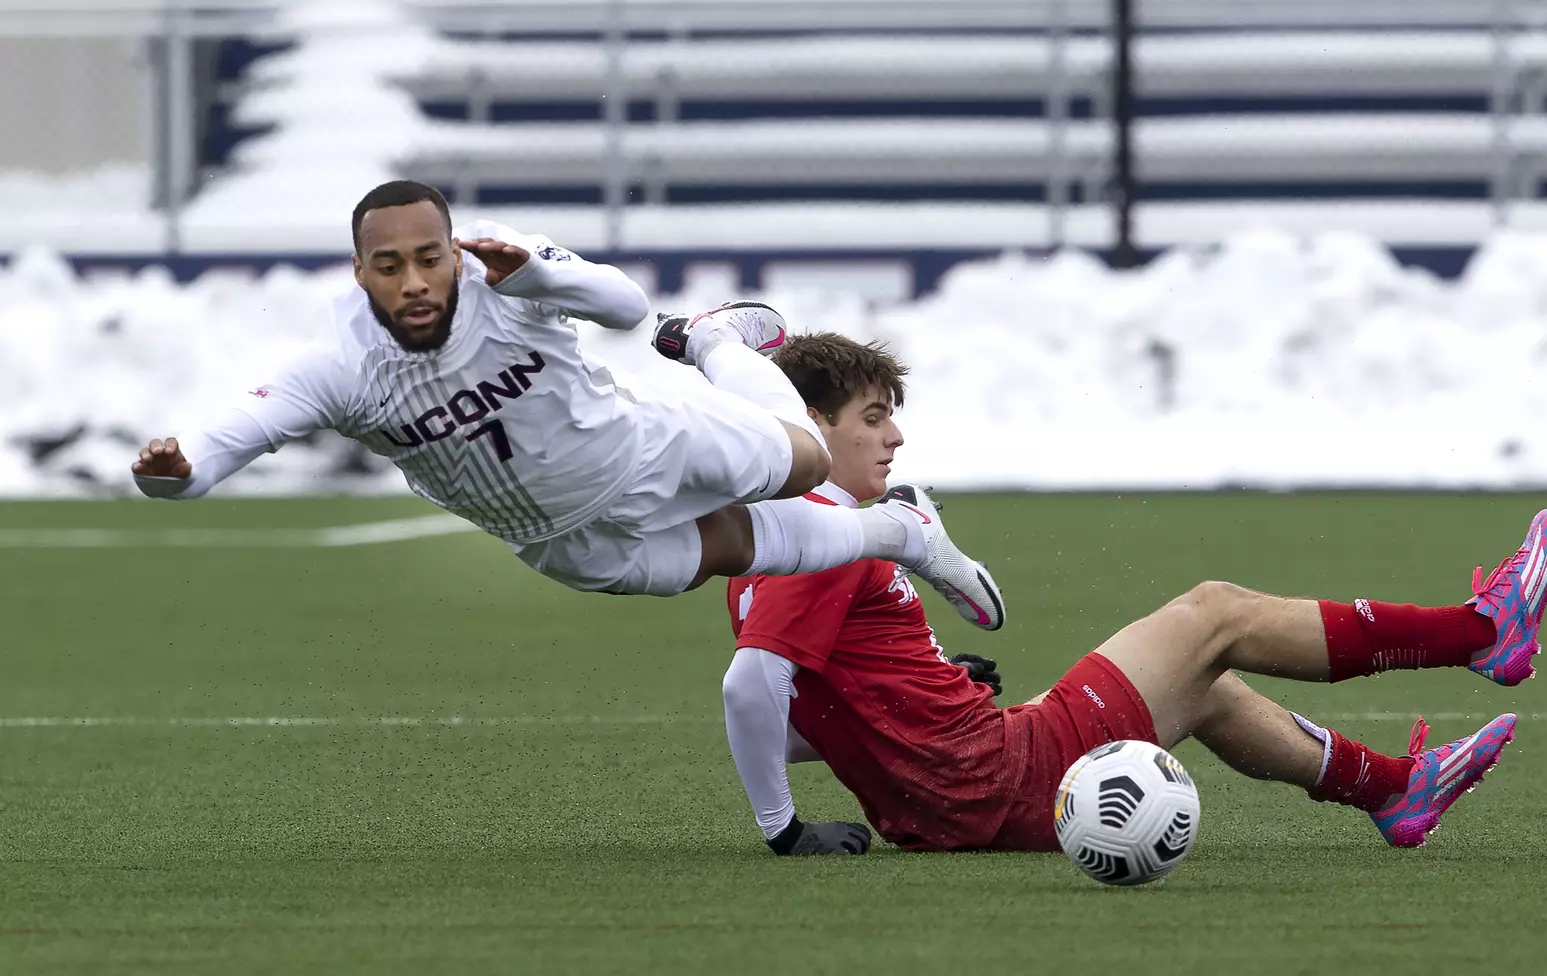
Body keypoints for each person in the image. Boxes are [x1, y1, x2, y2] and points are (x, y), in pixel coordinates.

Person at [722, 332, 1547, 855]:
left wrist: (911, 707)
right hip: (992, 782)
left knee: (1205, 685)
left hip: (954, 789)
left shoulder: (776, 537)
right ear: (813, 426)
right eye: (872, 416)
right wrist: (783, 830)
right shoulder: (823, 540)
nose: (895, 434)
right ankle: (1480, 633)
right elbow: (752, 685)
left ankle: (1392, 790)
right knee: (1214, 613)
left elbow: (799, 713)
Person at [130, 179, 1003, 628]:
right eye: (389, 265)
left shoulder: (502, 267)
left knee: (807, 465)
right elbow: (216, 451)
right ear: (360, 274)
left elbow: (624, 308)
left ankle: (714, 343)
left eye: (428, 256)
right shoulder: (338, 367)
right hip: (557, 540)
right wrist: (175, 473)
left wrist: (546, 275)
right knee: (733, 551)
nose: (416, 279)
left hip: (646, 447)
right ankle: (899, 533)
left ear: (449, 248)